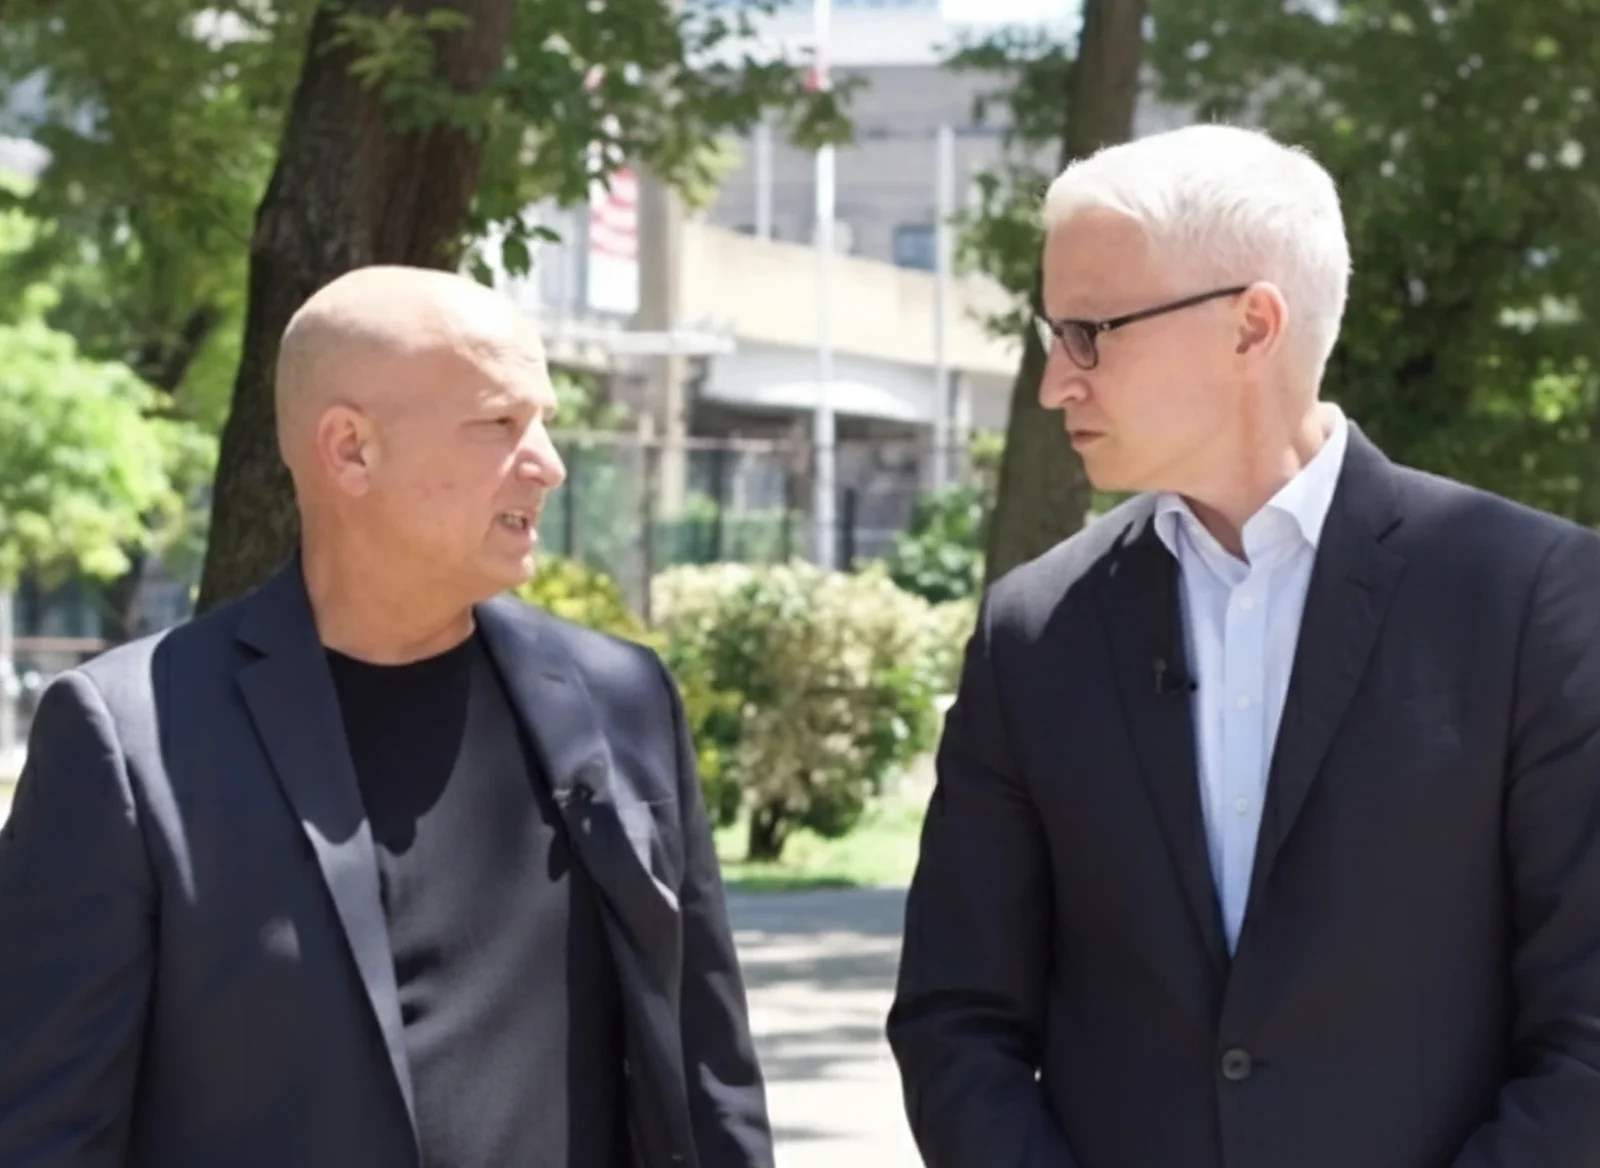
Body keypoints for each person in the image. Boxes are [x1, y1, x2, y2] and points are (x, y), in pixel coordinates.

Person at [887, 123, 1600, 1168]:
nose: (1055, 383)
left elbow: (1586, 1036)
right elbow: (957, 1022)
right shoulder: (1032, 632)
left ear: (1249, 326)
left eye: (1090, 331)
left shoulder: (1530, 599)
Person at [0, 265, 773, 1168]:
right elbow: (44, 1133)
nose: (550, 465)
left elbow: (711, 1082)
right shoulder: (131, 742)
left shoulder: (625, 700)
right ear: (351, 449)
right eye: (499, 423)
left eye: (545, 424)